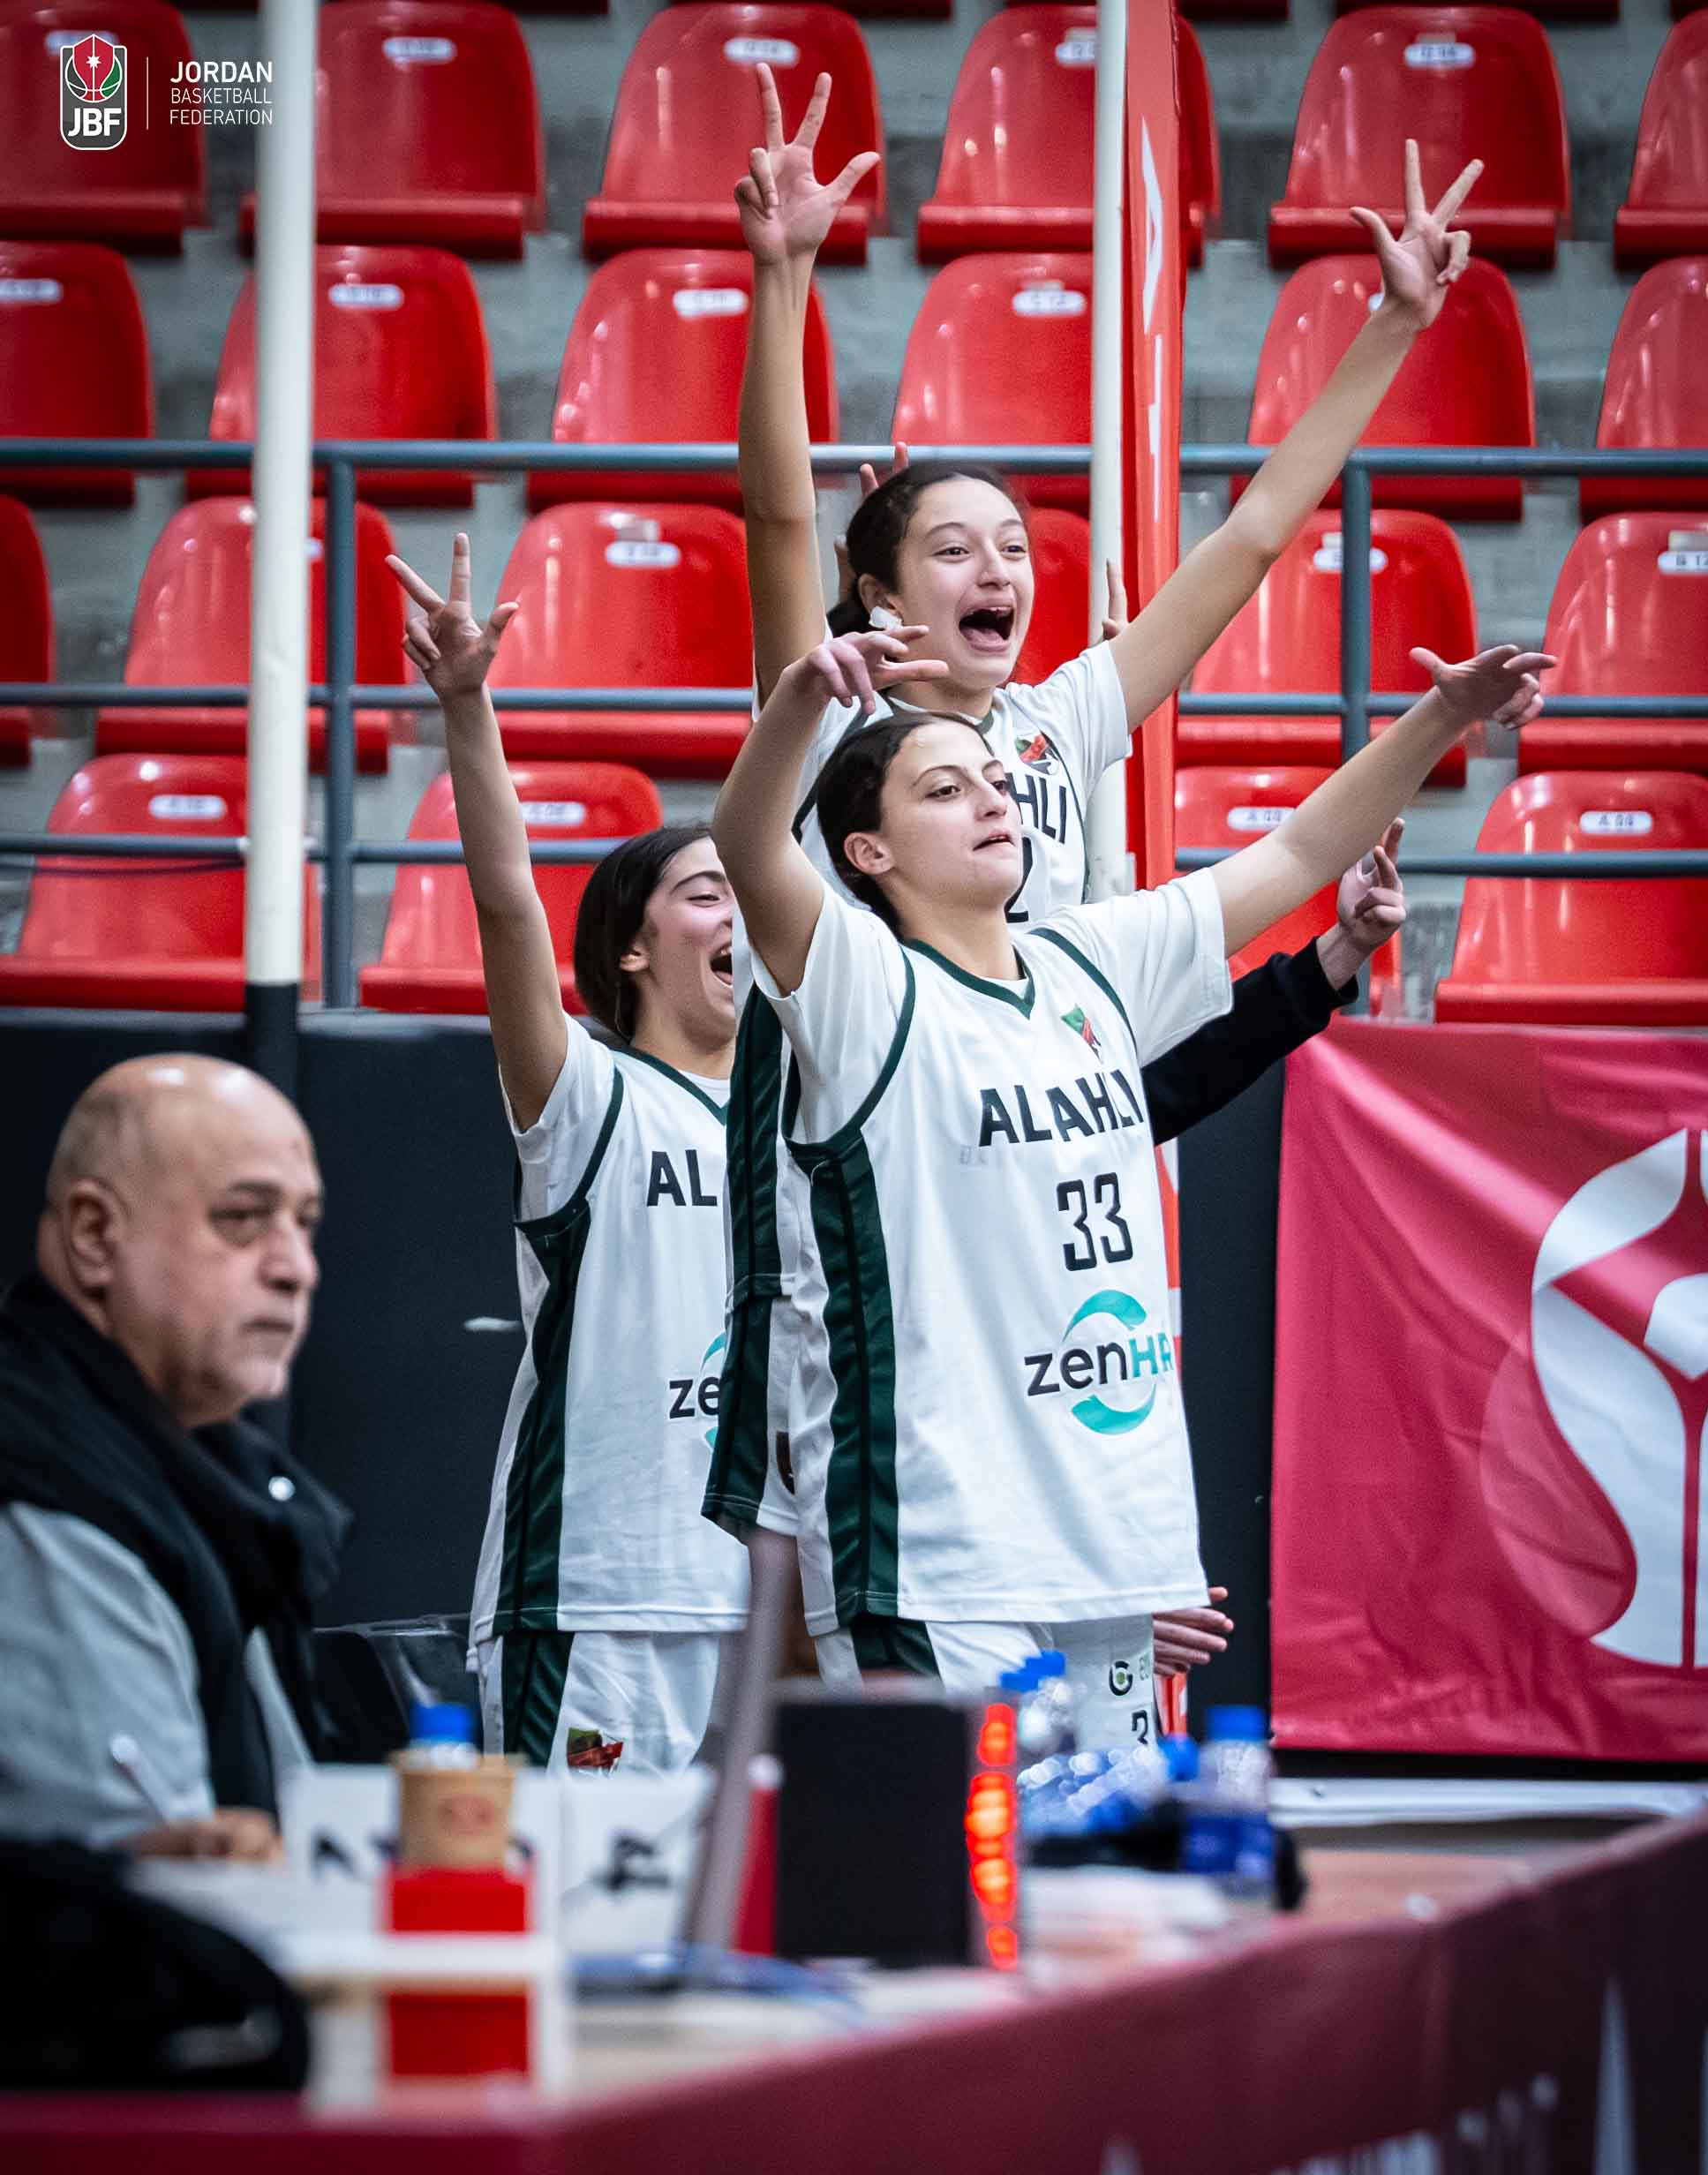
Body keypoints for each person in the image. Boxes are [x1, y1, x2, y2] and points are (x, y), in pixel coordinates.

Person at [706, 70, 1452, 1683]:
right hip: (865, 1157)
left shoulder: (1051, 725)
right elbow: (772, 513)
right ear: (875, 593)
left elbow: (1250, 540)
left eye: (1014, 546)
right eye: (953, 547)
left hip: (1026, 1110)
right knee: (846, 1602)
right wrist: (782, 279)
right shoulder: (840, 716)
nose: (1000, 569)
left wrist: (1390, 329)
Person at [711, 598, 1548, 1727]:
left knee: (1114, 1843)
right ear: (869, 852)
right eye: (943, 790)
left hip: (1111, 1540)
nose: (992, 798)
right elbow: (748, 847)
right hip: (934, 1551)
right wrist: (802, 695)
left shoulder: (1090, 959)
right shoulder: (863, 986)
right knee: (954, 1844)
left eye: (995, 778)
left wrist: (1439, 717)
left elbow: (1300, 850)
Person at [387, 538, 749, 1778]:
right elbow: (504, 902)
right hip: (595, 1600)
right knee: (587, 1890)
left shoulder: (805, 1120)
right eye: (705, 895)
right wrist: (466, 705)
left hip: (764, 1606)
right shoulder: (589, 1095)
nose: (740, 915)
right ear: (631, 949)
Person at [0, 1056, 344, 1855]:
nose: (297, 1267)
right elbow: (135, 1896)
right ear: (95, 1236)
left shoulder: (208, 1472)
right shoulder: (49, 1489)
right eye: (243, 1218)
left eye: (304, 1222)